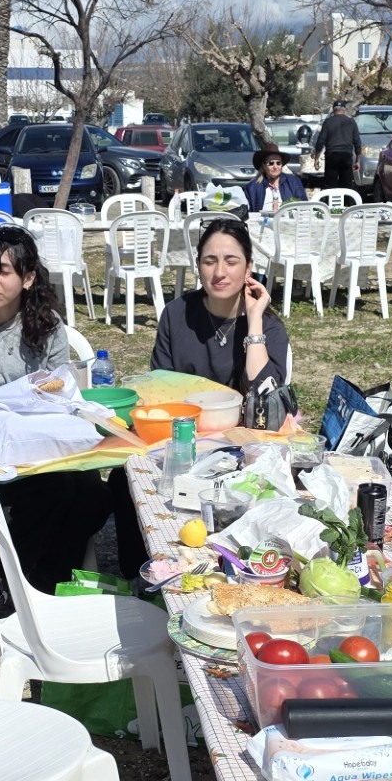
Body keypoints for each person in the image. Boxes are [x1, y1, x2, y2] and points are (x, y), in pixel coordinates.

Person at [110, 217, 290, 576]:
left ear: (249, 267)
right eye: (210, 261)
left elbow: (264, 400)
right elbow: (157, 392)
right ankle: (144, 577)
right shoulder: (177, 315)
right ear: (198, 266)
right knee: (122, 480)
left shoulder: (268, 325)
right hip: (180, 442)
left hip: (241, 450)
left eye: (231, 261)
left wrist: (253, 323)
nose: (219, 272)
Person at [0, 226, 111, 598]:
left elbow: (59, 395)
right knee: (58, 491)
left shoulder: (46, 323)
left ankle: (37, 583)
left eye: (2, 271)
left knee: (94, 496)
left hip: (38, 445)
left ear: (28, 277)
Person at [244, 147, 306, 214]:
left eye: (278, 163)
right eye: (271, 163)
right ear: (263, 165)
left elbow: (303, 206)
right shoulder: (252, 187)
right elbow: (248, 213)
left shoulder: (293, 182)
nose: (275, 167)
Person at [316, 101, 360, 191]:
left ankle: (332, 204)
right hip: (346, 156)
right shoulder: (351, 122)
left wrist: (316, 157)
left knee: (330, 186)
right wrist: (357, 161)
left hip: (332, 156)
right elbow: (357, 142)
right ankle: (346, 203)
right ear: (344, 110)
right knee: (347, 185)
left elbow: (321, 141)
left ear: (333, 110)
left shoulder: (328, 122)